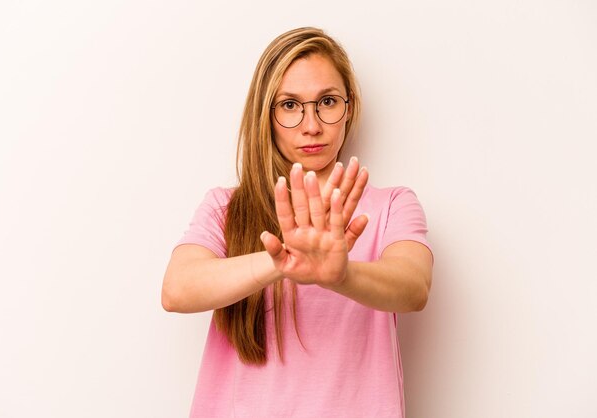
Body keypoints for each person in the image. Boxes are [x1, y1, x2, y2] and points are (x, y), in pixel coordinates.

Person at [162, 27, 433, 418]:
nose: (311, 125)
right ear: (266, 114)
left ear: (349, 107)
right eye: (290, 105)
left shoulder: (393, 204)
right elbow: (177, 289)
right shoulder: (226, 206)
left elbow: (414, 287)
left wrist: (341, 276)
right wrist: (279, 261)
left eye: (327, 101)